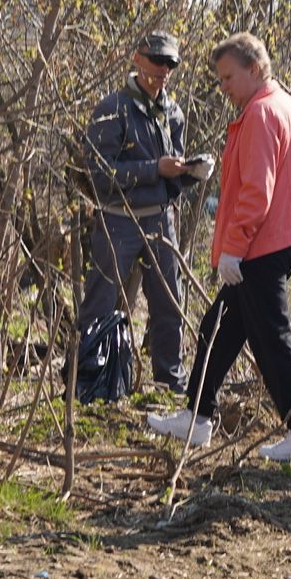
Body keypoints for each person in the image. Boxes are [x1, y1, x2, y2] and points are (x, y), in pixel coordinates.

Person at [147, 32, 291, 463]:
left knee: (272, 339)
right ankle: (197, 418)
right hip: (277, 239)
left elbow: (256, 192)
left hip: (262, 244)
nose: (223, 85)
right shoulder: (287, 107)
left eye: (228, 76)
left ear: (254, 68)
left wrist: (234, 247)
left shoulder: (263, 114)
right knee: (218, 330)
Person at [79, 30, 197, 394]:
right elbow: (98, 176)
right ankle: (90, 384)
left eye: (170, 63)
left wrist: (187, 172)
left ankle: (170, 385)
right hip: (117, 219)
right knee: (101, 300)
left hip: (162, 219)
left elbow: (170, 172)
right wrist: (153, 169)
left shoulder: (173, 112)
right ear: (137, 58)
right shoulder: (111, 108)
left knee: (169, 304)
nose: (163, 69)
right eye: (157, 61)